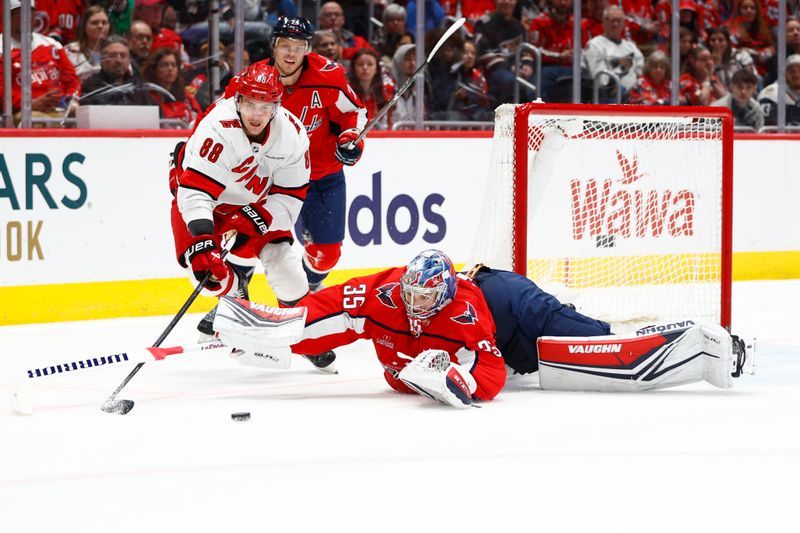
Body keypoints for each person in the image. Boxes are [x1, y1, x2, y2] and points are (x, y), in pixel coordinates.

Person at [214, 250, 752, 409]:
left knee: (585, 342)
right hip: (494, 332)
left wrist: (457, 383)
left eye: (429, 298)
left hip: (509, 305)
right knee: (545, 366)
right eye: (413, 295)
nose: (417, 306)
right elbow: (320, 315)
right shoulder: (383, 295)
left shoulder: (462, 311)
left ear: (445, 296)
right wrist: (253, 325)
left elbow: (490, 368)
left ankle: (696, 339)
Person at [220, 16, 367, 369]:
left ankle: (306, 290)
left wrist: (350, 141)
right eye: (285, 45)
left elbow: (355, 115)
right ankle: (235, 299)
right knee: (257, 237)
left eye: (299, 47)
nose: (292, 53)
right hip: (274, 179)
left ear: (308, 49)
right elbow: (222, 117)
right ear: (273, 46)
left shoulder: (328, 77)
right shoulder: (253, 79)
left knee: (327, 255)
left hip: (322, 177)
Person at [168, 63, 314, 371]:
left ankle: (309, 333)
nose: (256, 114)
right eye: (249, 104)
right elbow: (194, 193)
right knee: (209, 272)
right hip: (202, 202)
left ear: (277, 105)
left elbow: (291, 196)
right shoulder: (217, 127)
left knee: (285, 264)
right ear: (237, 100)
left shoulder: (293, 135)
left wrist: (258, 217)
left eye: (265, 106)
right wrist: (205, 241)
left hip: (256, 202)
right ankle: (240, 316)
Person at [0, 0, 81, 123]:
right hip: (21, 111)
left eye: (29, 14)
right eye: (18, 14)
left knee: (83, 119)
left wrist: (69, 101)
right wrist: (29, 103)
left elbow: (72, 80)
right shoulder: (2, 47)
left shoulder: (52, 45)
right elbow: (1, 89)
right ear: (8, 18)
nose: (25, 19)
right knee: (39, 121)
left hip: (59, 107)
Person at [582, 5, 644, 97]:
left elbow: (641, 72)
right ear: (603, 22)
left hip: (635, 96)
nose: (615, 24)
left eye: (619, 21)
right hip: (610, 97)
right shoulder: (594, 45)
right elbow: (601, 81)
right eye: (612, 20)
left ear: (623, 23)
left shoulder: (631, 46)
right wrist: (618, 65)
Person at [135, 46, 201, 127]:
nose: (170, 69)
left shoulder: (187, 99)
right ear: (154, 70)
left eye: (173, 65)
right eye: (165, 65)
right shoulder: (146, 98)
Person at [80, 35, 142, 105]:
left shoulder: (136, 84)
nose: (119, 60)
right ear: (102, 60)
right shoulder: (91, 85)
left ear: (129, 60)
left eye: (123, 55)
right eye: (113, 56)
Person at [348, 47, 396, 129]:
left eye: (370, 64)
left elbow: (393, 118)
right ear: (353, 68)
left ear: (377, 69)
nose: (365, 68)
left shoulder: (387, 90)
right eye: (360, 64)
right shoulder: (347, 91)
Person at [65, 5, 111, 82]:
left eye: (104, 22)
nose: (100, 26)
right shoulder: (71, 51)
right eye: (94, 23)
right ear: (84, 26)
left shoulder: (115, 51)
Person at [758, 53, 800, 126]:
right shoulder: (771, 93)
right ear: (785, 74)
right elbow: (769, 125)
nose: (796, 75)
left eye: (799, 70)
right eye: (791, 71)